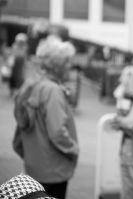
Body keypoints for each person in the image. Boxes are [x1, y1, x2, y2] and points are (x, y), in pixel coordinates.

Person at [12, 36, 79, 199]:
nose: (69, 66)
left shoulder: (32, 84)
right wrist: (73, 150)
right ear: (58, 65)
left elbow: (22, 124)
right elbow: (57, 132)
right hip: (53, 169)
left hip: (34, 166)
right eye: (67, 62)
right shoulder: (52, 90)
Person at [110, 64, 133, 199]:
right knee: (127, 190)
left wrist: (122, 123)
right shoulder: (128, 96)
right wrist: (122, 123)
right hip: (127, 151)